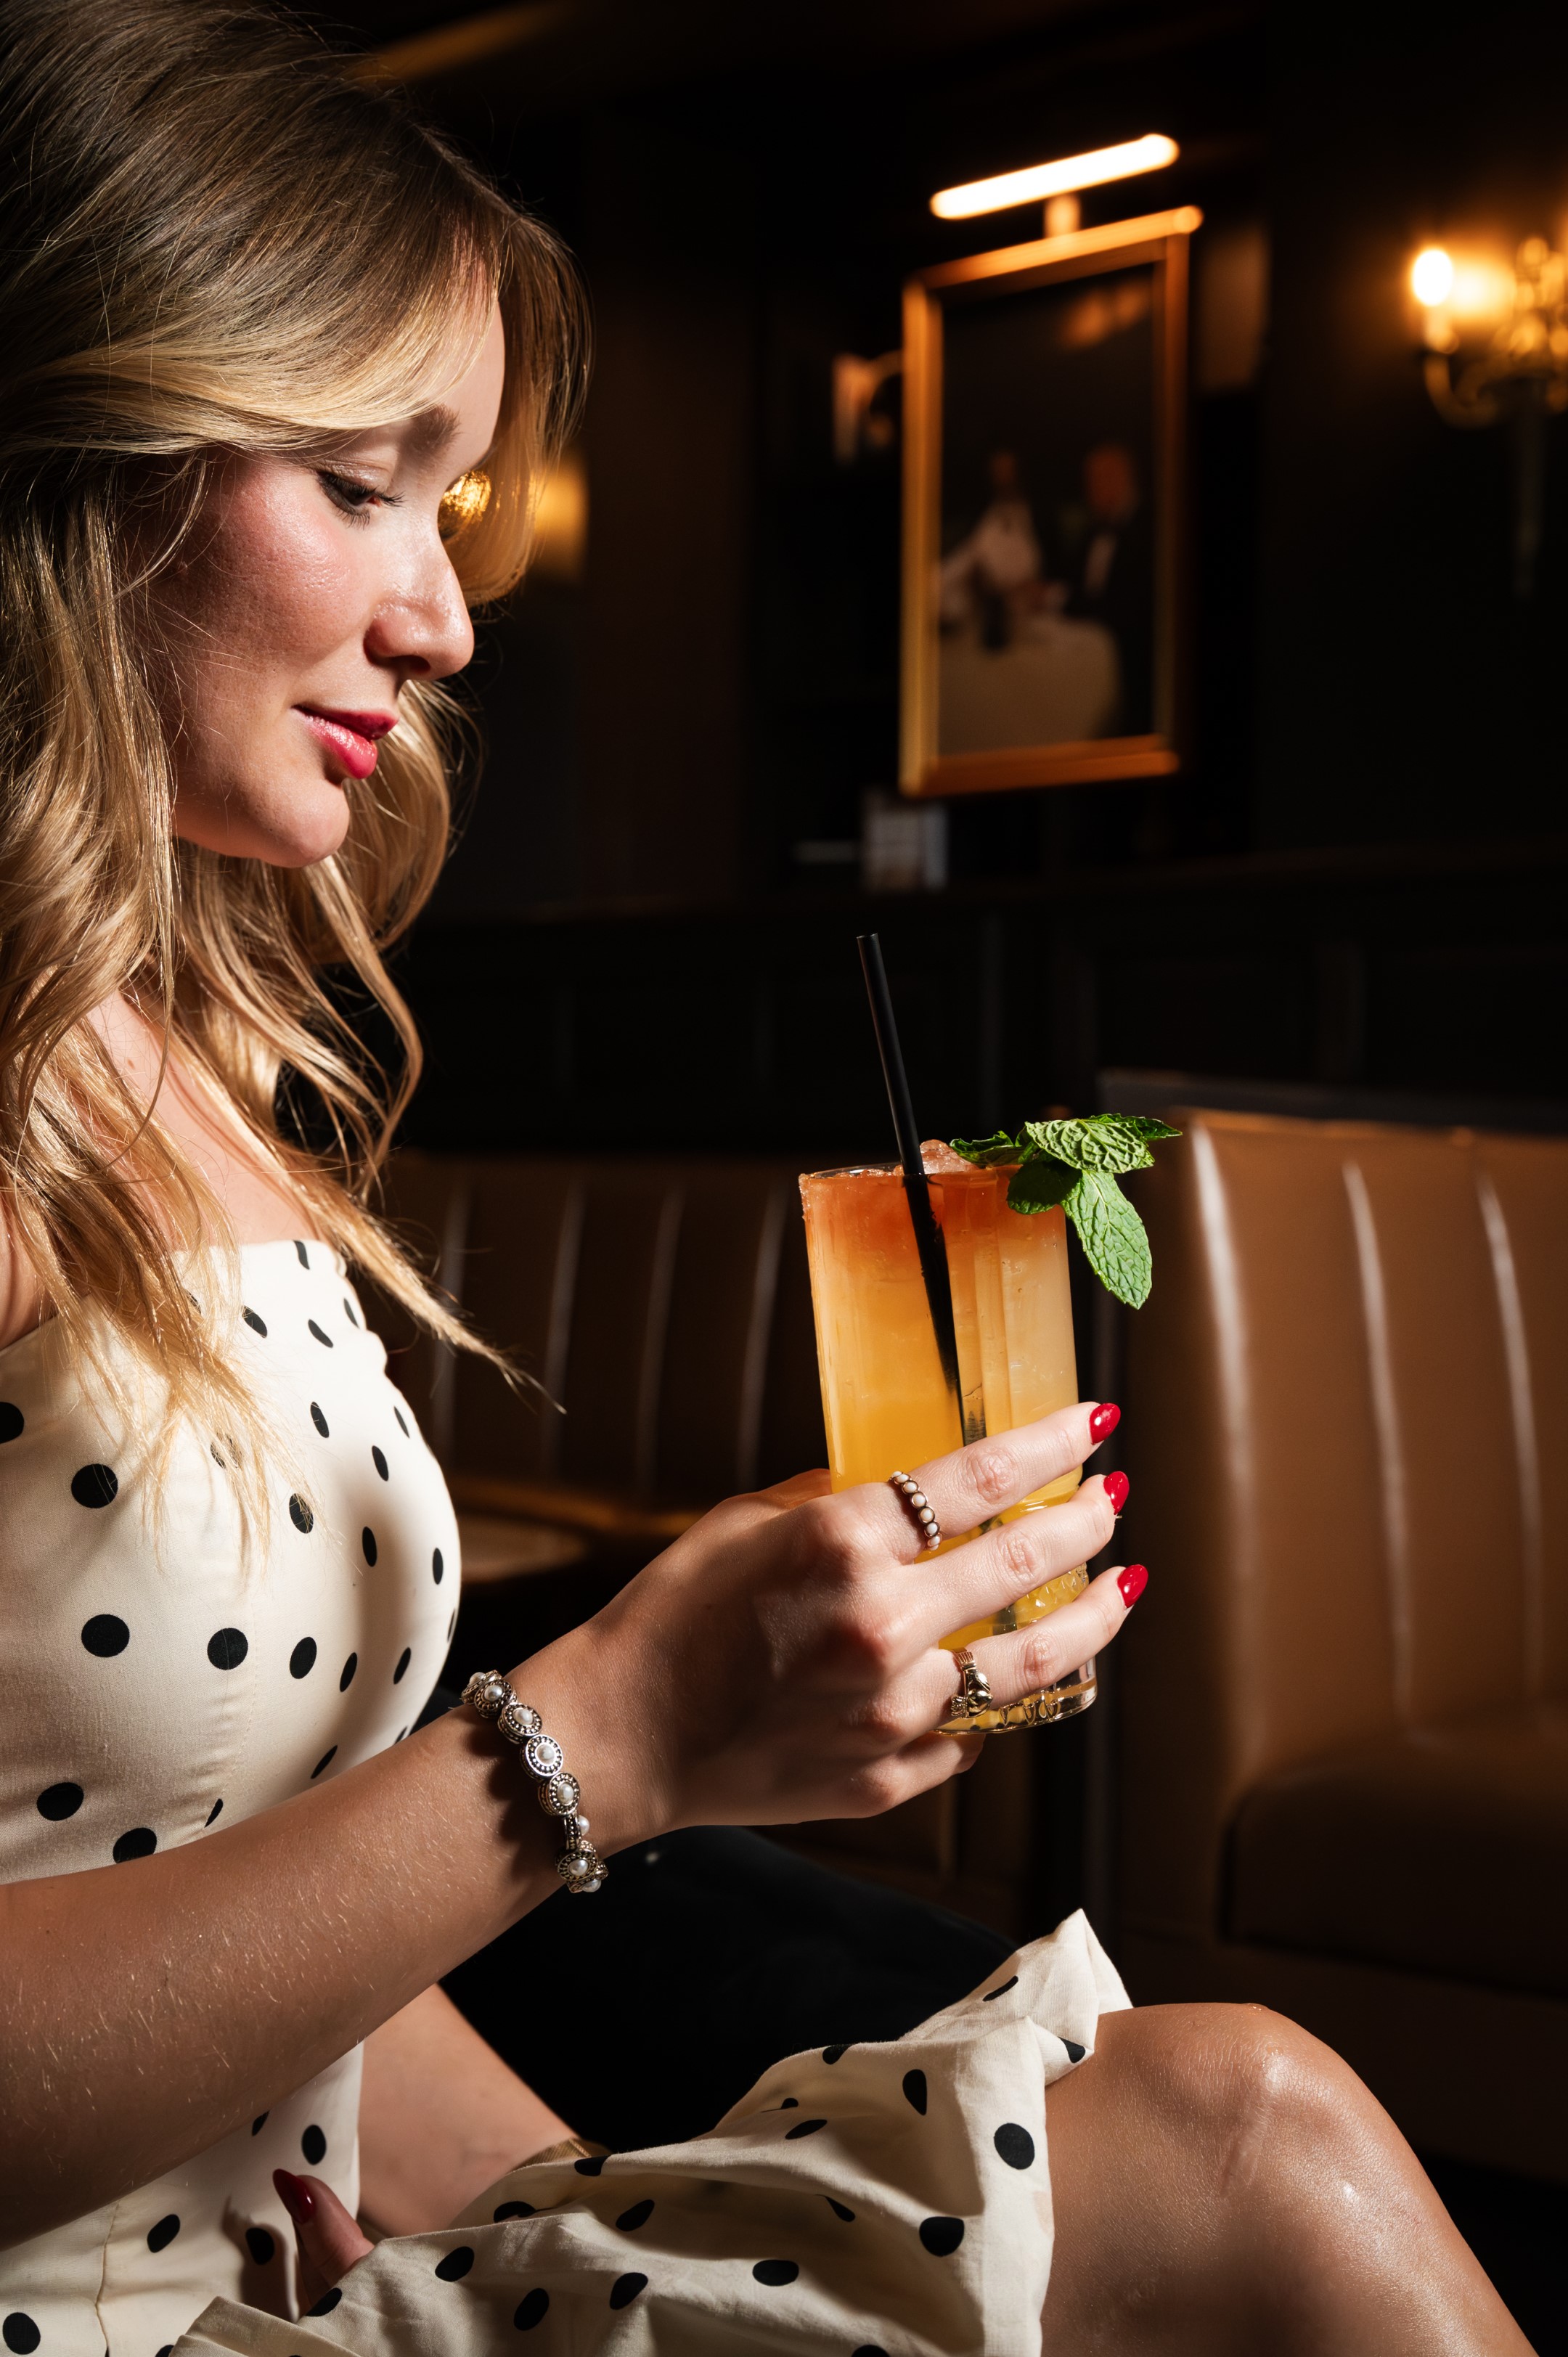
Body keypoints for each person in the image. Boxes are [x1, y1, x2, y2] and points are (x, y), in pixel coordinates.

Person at [0, 6, 1532, 2353]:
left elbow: (262, 1947)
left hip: (273, 2281)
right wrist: (602, 1738)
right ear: (90, 448)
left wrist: (591, 2207)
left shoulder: (192, 1061)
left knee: (1252, 2125)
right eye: (365, 480)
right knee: (1240, 2166)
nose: (446, 615)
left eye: (456, 500)